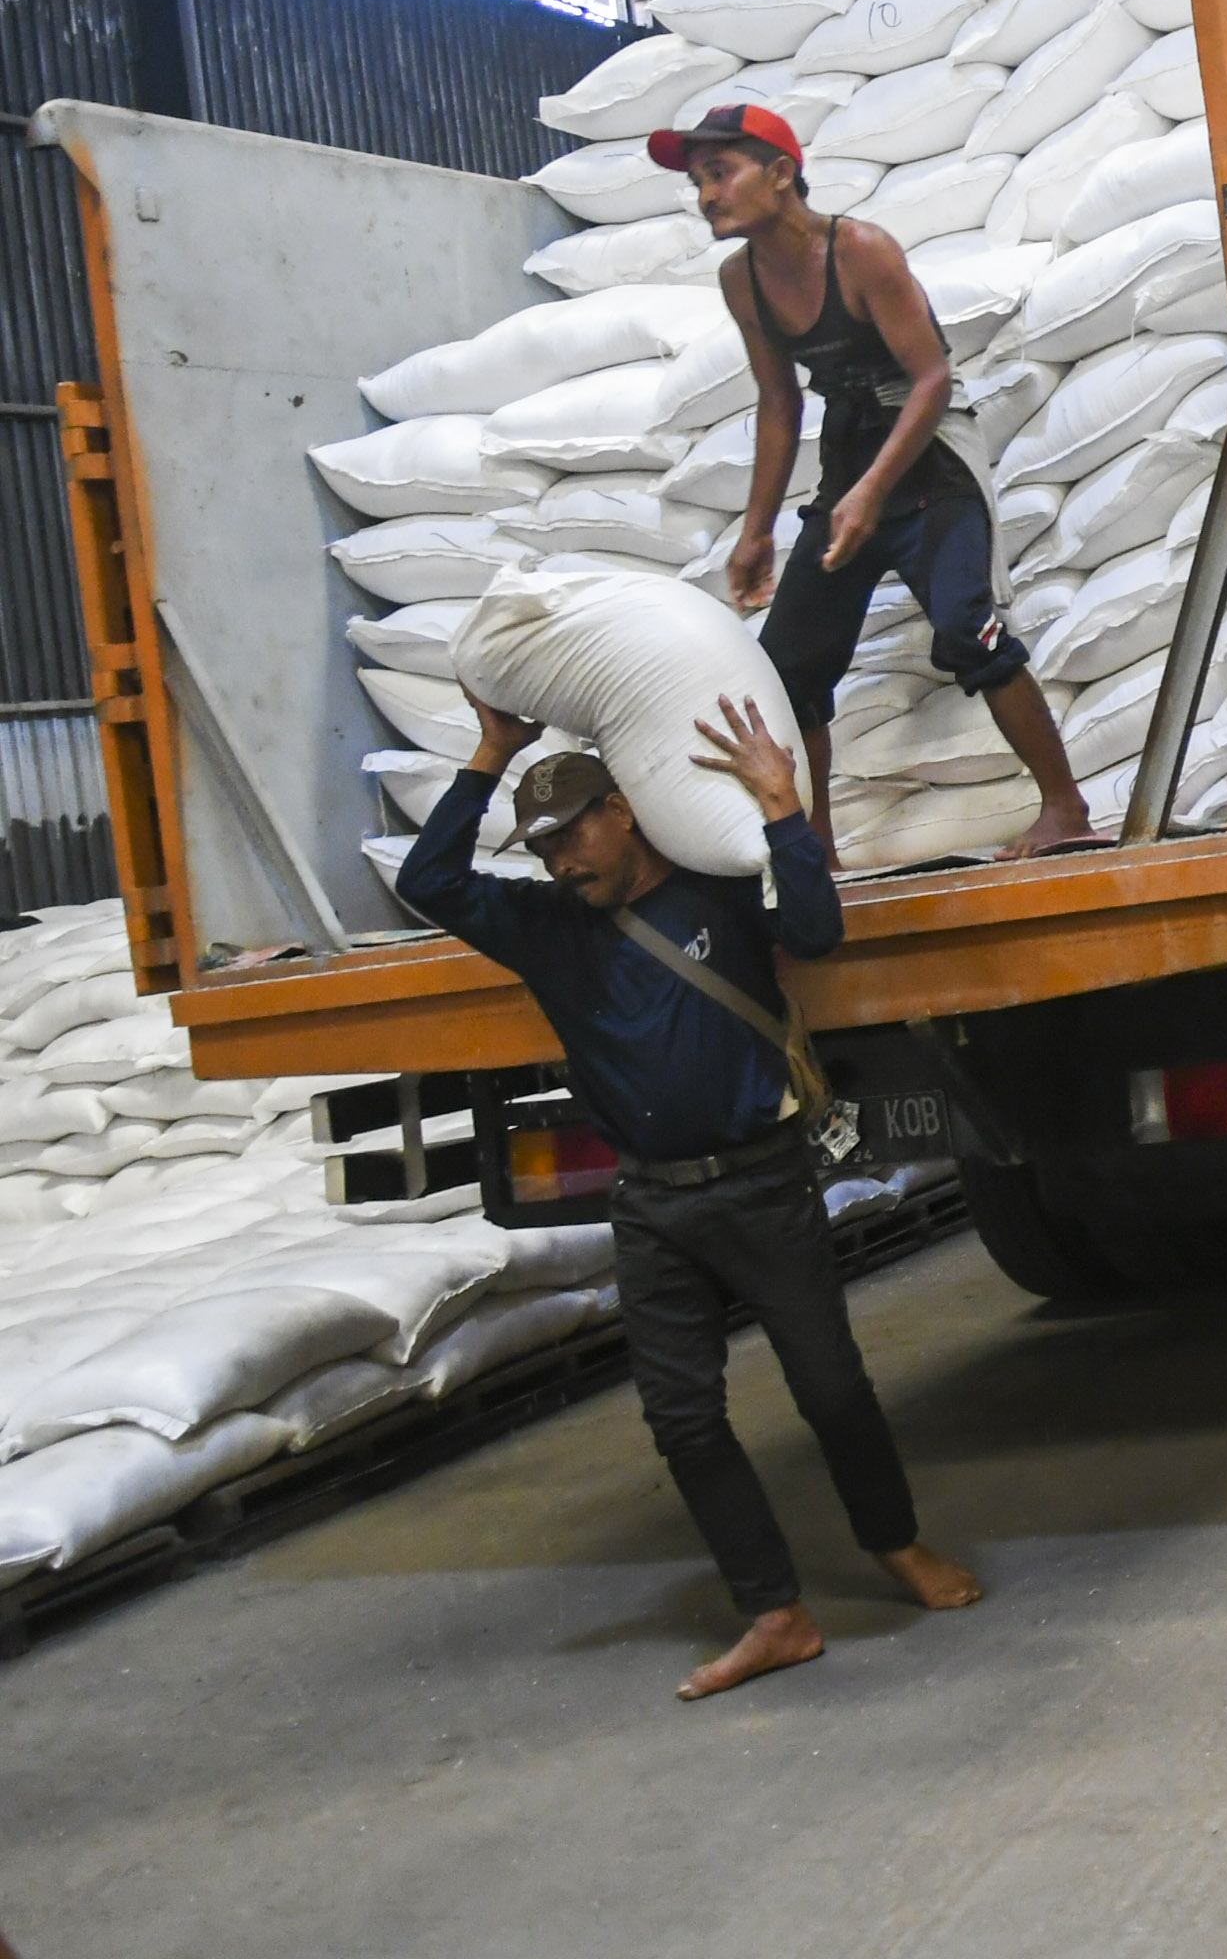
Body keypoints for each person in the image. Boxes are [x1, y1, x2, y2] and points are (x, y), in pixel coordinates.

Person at [398, 689, 982, 1700]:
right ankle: (775, 1612)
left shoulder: (714, 891)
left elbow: (818, 928)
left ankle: (895, 1545)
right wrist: (491, 753)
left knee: (830, 1388)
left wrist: (780, 808)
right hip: (651, 1206)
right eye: (540, 848)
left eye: (571, 834)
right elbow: (430, 878)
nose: (558, 861)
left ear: (623, 811)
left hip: (762, 1186)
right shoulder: (545, 928)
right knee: (681, 1416)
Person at [661, 102, 1090, 861]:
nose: (705, 196)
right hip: (848, 466)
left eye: (720, 173)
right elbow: (779, 403)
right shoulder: (742, 281)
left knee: (969, 630)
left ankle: (1066, 806)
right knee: (787, 668)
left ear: (782, 173)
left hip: (932, 463)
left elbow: (931, 378)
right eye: (696, 181)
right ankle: (816, 846)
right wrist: (758, 528)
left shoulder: (860, 251)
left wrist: (871, 495)